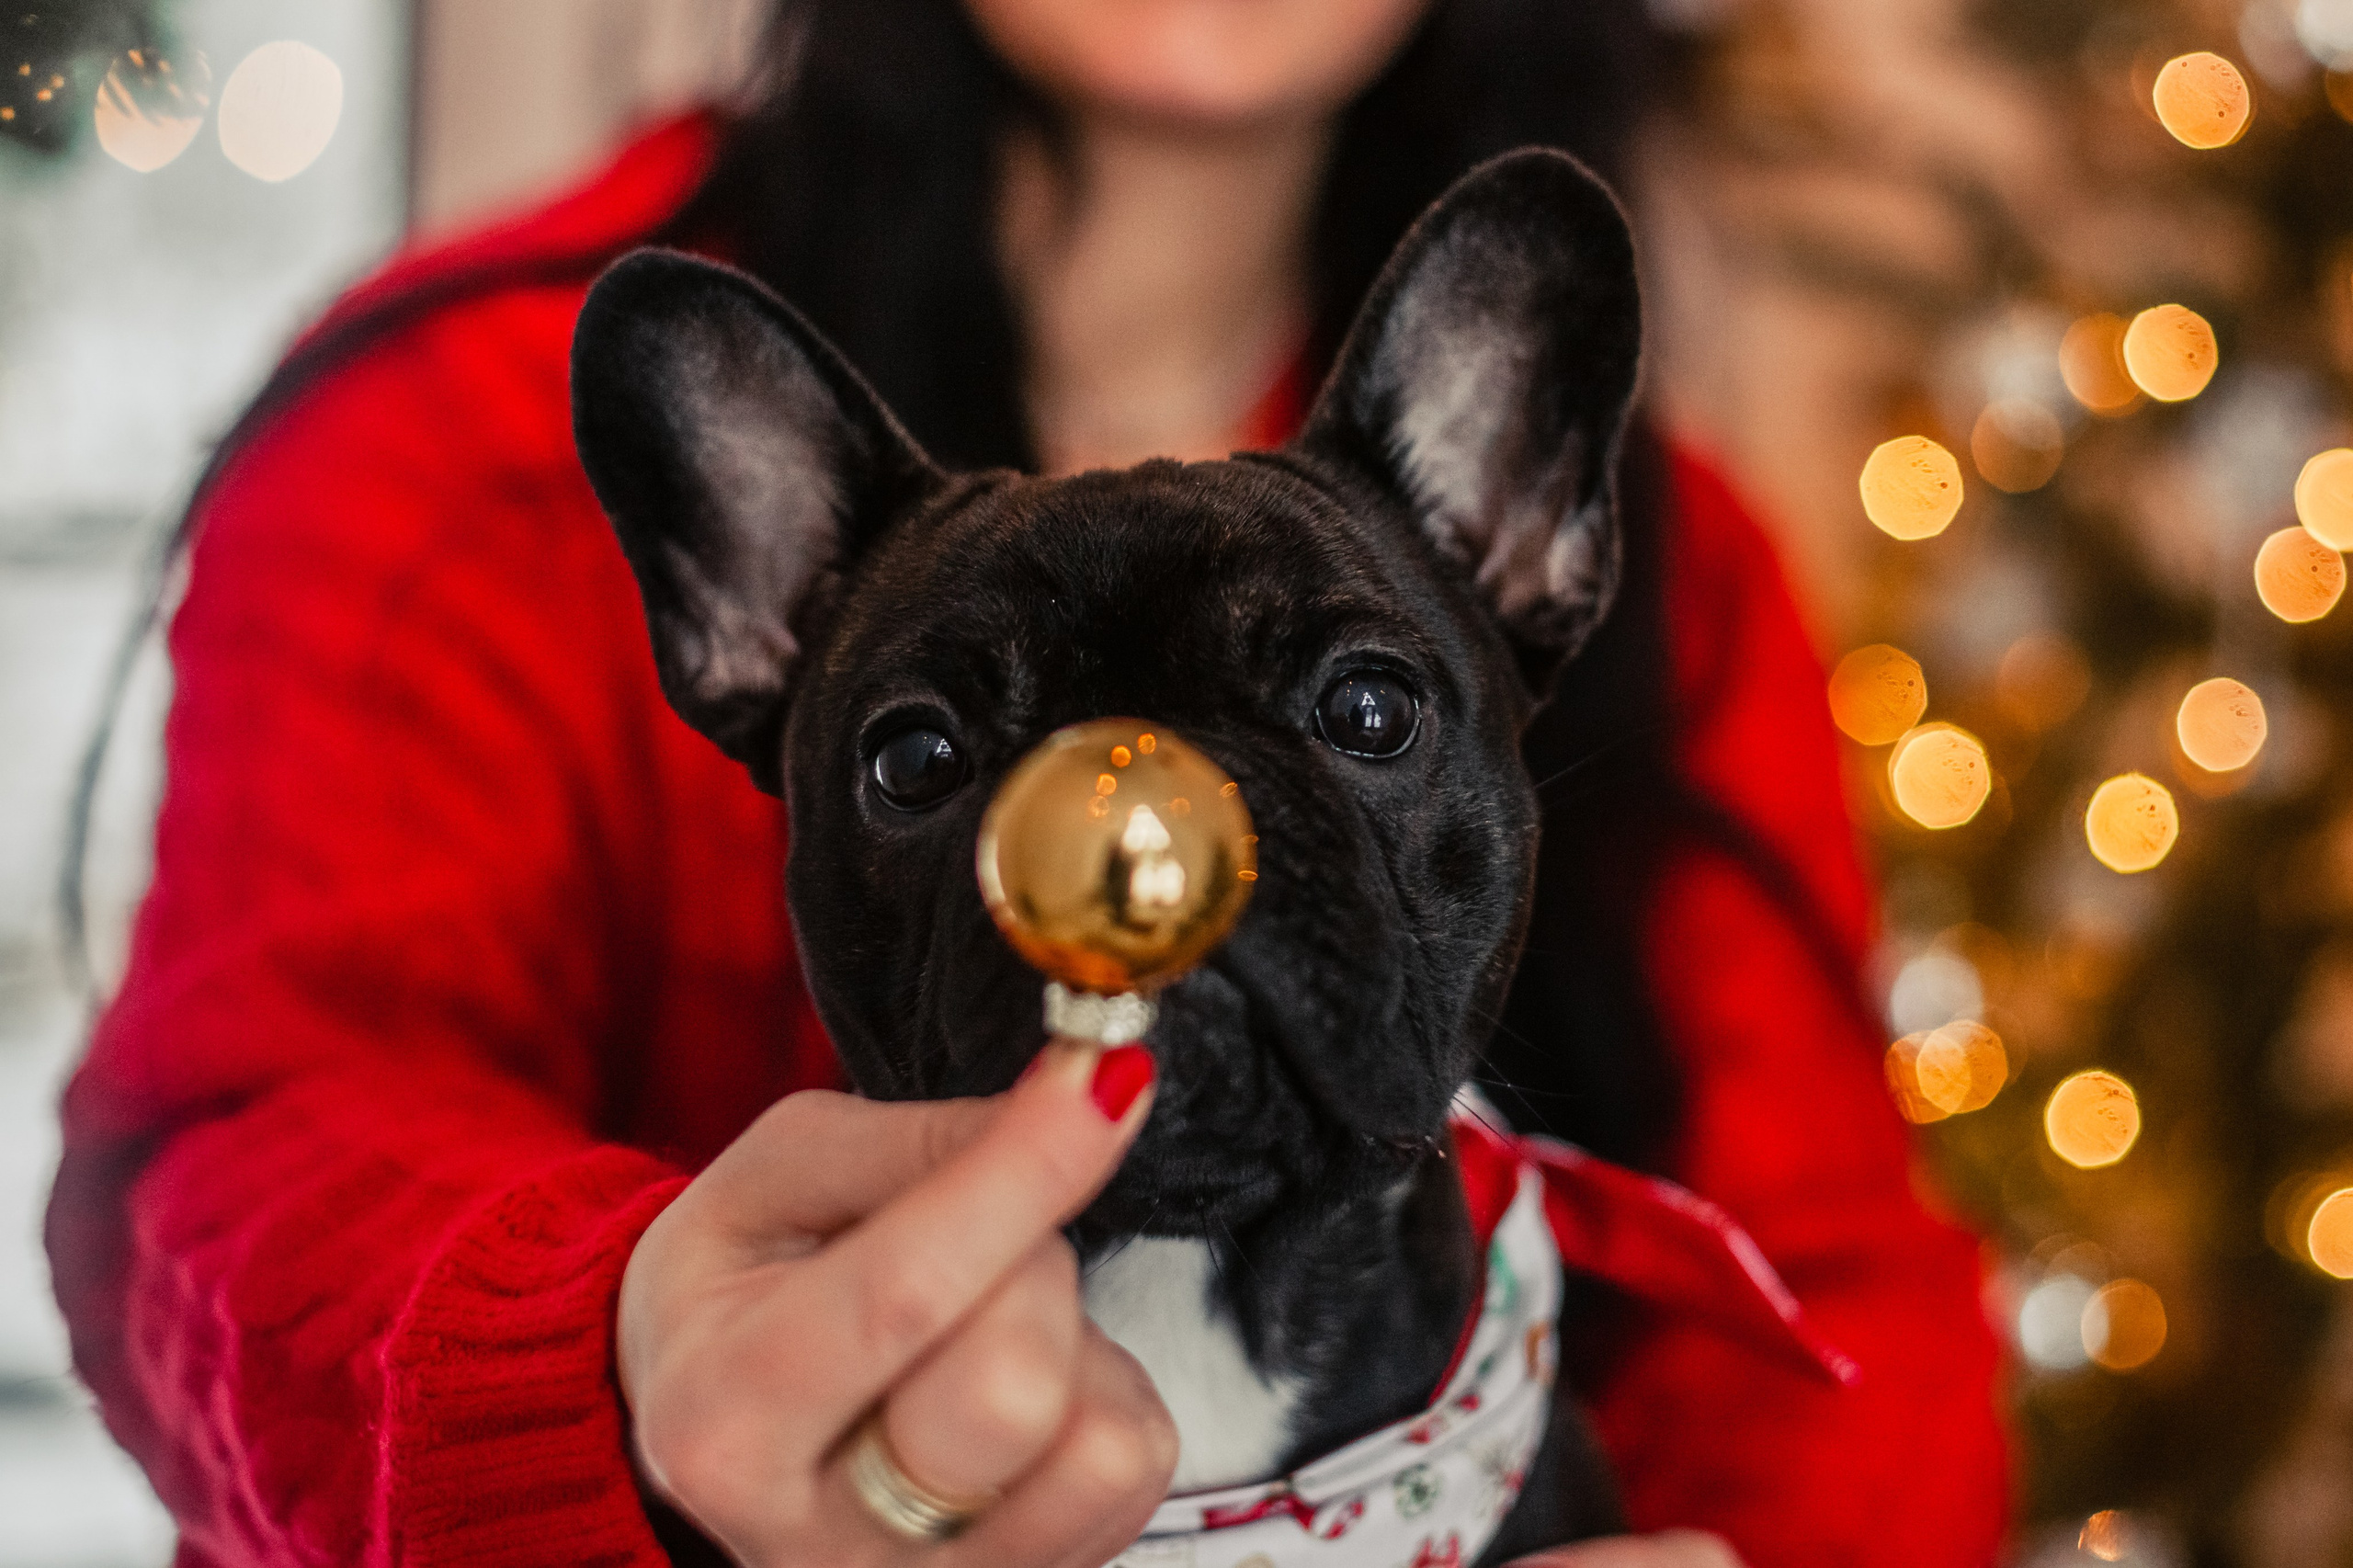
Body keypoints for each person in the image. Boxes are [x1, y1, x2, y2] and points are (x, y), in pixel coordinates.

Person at [46, 1, 2008, 1564]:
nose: (1168, 848)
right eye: (919, 751)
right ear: (749, 638)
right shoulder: (451, 443)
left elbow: (1834, 1309)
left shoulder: (1683, 570)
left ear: (1525, 551)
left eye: (1364, 717)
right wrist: (607, 1360)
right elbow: (231, 1152)